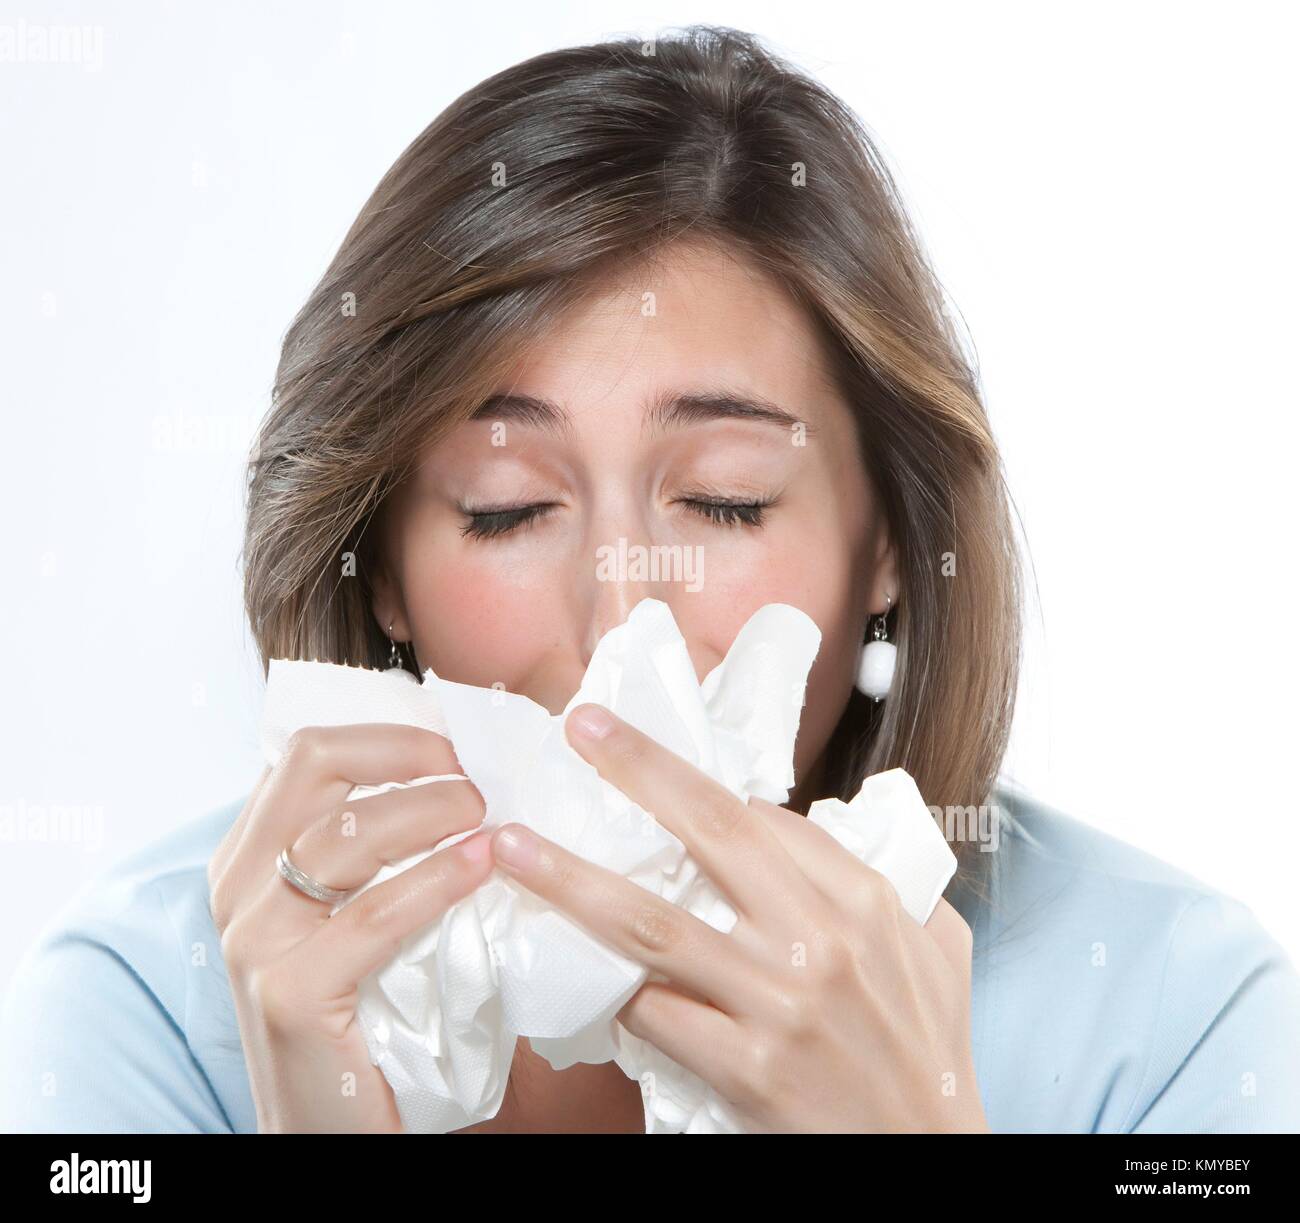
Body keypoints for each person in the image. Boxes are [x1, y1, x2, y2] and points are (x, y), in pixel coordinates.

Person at [4, 25, 1298, 1134]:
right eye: (508, 511)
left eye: (726, 498)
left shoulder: (1172, 1022)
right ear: (384, 573)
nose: (623, 612)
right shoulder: (154, 1014)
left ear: (890, 543)